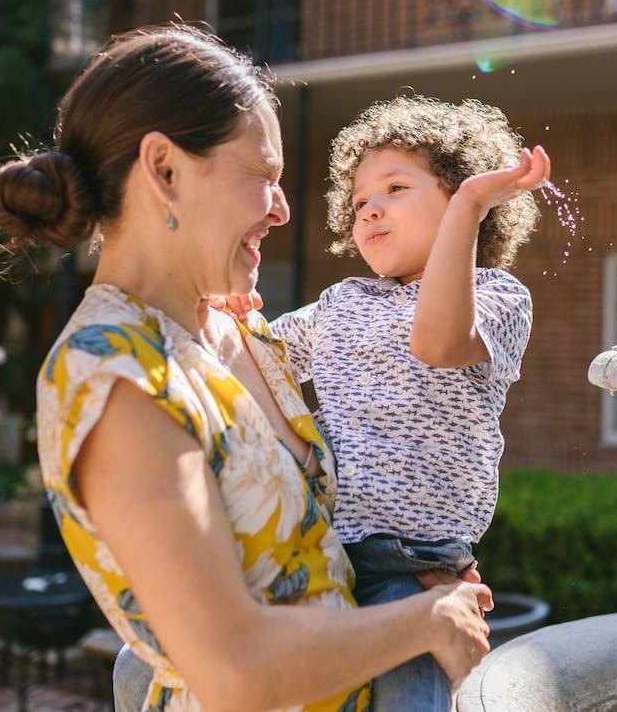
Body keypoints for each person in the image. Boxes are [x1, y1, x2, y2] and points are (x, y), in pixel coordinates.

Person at [0, 25, 492, 712]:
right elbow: (232, 669)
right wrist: (426, 621)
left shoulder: (244, 328)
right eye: (263, 177)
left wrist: (416, 570)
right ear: (164, 170)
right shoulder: (114, 377)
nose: (282, 209)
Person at [225, 96, 549, 710]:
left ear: (461, 200)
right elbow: (261, 359)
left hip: (416, 571)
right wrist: (234, 311)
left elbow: (437, 341)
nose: (369, 208)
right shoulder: (341, 302)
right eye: (357, 202)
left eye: (395, 187)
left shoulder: (498, 296)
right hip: (323, 548)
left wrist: (472, 207)